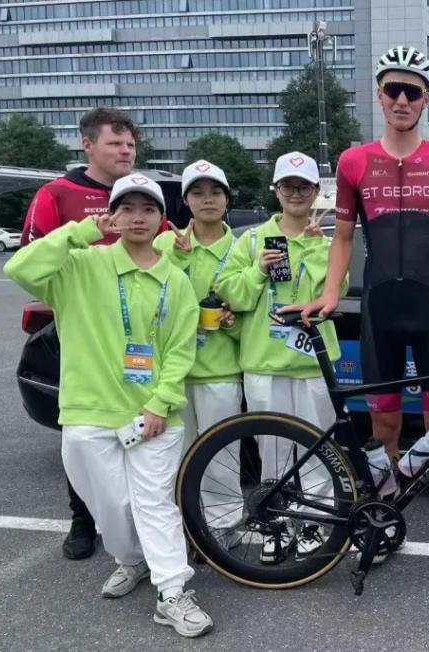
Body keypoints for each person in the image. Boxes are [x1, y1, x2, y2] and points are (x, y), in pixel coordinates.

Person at [5, 175, 214, 638]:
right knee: (111, 507)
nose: (137, 217)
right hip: (88, 411)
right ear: (112, 216)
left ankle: (173, 591)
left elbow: (180, 350)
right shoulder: (80, 264)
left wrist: (160, 403)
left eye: (148, 209)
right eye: (127, 208)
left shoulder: (175, 280)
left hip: (154, 416)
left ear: (162, 220)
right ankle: (131, 559)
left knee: (153, 503)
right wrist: (80, 231)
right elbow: (20, 269)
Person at [295, 46, 429, 578]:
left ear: (426, 99)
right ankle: (382, 520)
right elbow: (342, 237)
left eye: (411, 91)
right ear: (379, 96)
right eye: (392, 90)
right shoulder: (353, 161)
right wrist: (331, 293)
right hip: (378, 307)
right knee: (385, 425)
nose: (401, 100)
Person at [20, 107, 141, 560]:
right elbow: (32, 258)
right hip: (82, 329)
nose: (126, 151)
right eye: (115, 143)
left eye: (130, 144)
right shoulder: (57, 194)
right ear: (87, 145)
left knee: (138, 423)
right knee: (83, 428)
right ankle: (82, 520)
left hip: (136, 329)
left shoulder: (140, 193)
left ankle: (136, 521)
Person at [215, 151, 343, 564]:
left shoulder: (327, 243)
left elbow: (333, 293)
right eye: (288, 186)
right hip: (264, 361)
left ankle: (313, 522)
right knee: (272, 450)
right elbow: (229, 292)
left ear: (316, 191)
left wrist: (313, 248)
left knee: (319, 448)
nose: (296, 193)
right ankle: (277, 521)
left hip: (312, 361)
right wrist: (257, 271)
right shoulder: (252, 240)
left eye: (304, 186)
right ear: (276, 190)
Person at [153, 161, 242, 543]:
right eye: (198, 193)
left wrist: (231, 319)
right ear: (186, 201)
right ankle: (180, 526)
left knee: (222, 454)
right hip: (172, 372)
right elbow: (152, 297)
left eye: (215, 192)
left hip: (221, 368)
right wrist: (179, 257)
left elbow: (252, 305)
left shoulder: (240, 248)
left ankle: (224, 525)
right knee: (175, 455)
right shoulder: (164, 245)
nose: (208, 200)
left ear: (226, 199)